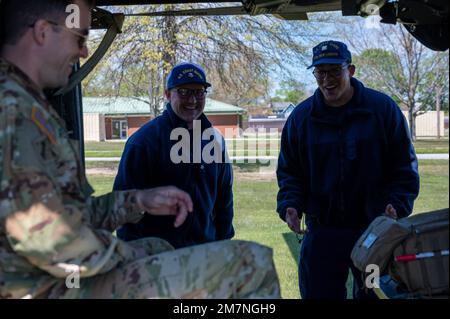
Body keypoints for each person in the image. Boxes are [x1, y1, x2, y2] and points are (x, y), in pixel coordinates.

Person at [0, 0, 280, 299]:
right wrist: (127, 255)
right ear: (43, 32)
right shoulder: (14, 111)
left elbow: (72, 213)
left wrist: (140, 200)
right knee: (253, 263)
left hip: (57, 273)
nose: (83, 52)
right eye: (80, 38)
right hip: (48, 286)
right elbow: (47, 240)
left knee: (159, 248)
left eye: (199, 93)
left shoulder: (29, 104)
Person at [276, 40, 420, 299]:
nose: (326, 80)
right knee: (319, 294)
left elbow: (404, 167)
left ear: (350, 70)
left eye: (334, 71)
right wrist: (291, 204)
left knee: (374, 293)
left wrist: (397, 204)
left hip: (375, 233)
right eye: (320, 73)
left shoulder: (382, 110)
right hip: (322, 234)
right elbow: (290, 172)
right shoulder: (301, 118)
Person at [114, 62, 234, 248]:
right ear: (168, 94)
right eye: (184, 91)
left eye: (199, 92)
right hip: (158, 257)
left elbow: (224, 200)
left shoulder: (215, 141)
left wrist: (224, 243)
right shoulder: (144, 142)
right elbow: (124, 203)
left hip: (205, 254)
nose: (192, 100)